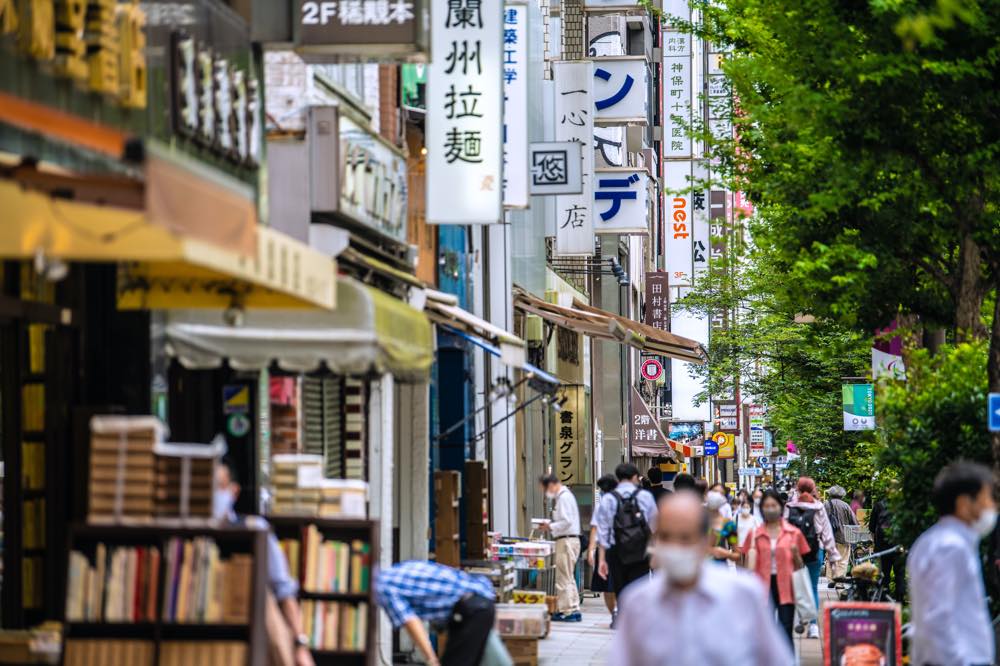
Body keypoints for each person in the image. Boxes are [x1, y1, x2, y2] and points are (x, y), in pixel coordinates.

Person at [609, 492, 794, 665]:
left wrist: (726, 555)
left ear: (704, 540)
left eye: (685, 537)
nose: (675, 546)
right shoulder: (638, 602)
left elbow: (775, 659)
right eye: (666, 537)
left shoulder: (743, 595)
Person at [214, 460, 315, 666]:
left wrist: (299, 644)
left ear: (234, 491)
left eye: (220, 486)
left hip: (250, 642)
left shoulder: (256, 530)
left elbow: (283, 589)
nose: (214, 494)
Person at [908, 461, 996, 666]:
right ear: (965, 504)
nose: (992, 506)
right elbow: (937, 618)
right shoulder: (951, 547)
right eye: (987, 498)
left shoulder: (934, 541)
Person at [375, 560, 508, 666]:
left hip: (470, 610)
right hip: (480, 602)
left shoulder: (383, 587)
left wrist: (431, 660)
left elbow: (410, 621)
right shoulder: (399, 570)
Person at [742, 489, 811, 647]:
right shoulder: (754, 534)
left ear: (780, 507)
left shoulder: (794, 533)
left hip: (786, 585)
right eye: (766, 505)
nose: (770, 509)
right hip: (761, 586)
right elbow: (745, 562)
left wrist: (795, 555)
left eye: (773, 505)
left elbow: (801, 564)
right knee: (762, 631)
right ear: (761, 508)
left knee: (786, 628)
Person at [784, 476, 839, 638]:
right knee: (812, 588)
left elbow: (783, 529)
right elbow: (827, 534)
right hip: (815, 551)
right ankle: (813, 626)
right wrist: (833, 556)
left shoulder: (789, 506)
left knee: (796, 587)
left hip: (793, 553)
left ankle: (801, 619)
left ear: (798, 489)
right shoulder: (818, 507)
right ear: (813, 489)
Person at [595, 463, 658, 602]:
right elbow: (655, 527)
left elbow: (603, 531)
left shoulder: (609, 498)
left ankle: (622, 615)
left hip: (616, 550)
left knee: (620, 588)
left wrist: (601, 559)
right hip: (641, 550)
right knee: (639, 588)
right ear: (635, 477)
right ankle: (636, 618)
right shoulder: (645, 496)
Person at [538, 473, 582, 622]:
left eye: (545, 489)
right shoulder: (566, 496)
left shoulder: (563, 497)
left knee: (563, 577)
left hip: (566, 540)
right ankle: (573, 608)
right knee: (568, 576)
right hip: (571, 540)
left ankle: (567, 610)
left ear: (550, 485)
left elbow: (566, 521)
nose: (546, 493)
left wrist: (549, 526)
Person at [587, 474, 620, 627]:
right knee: (620, 583)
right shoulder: (626, 500)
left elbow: (595, 528)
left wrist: (590, 550)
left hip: (606, 550)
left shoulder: (603, 504)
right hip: (624, 549)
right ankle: (621, 613)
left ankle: (614, 613)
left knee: (607, 587)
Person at [867, 494, 905, 601]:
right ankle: (900, 602)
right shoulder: (903, 506)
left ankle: (884, 601)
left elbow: (871, 527)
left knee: (884, 575)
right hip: (899, 546)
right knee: (900, 575)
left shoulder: (878, 505)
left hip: (882, 547)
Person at [824, 485, 857, 580]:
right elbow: (854, 522)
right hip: (843, 537)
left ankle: (831, 579)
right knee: (842, 560)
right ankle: (839, 581)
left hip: (829, 537)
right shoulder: (845, 505)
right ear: (842, 495)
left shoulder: (826, 504)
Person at [706, 491, 740, 564]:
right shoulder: (699, 522)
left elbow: (737, 554)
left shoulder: (729, 525)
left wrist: (726, 553)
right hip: (700, 570)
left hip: (720, 569)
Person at [735, 489, 762, 554]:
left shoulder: (754, 518)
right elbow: (731, 531)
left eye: (747, 507)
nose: (745, 509)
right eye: (744, 507)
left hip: (751, 546)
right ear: (741, 508)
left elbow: (758, 531)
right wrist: (733, 544)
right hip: (738, 546)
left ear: (750, 508)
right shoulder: (736, 517)